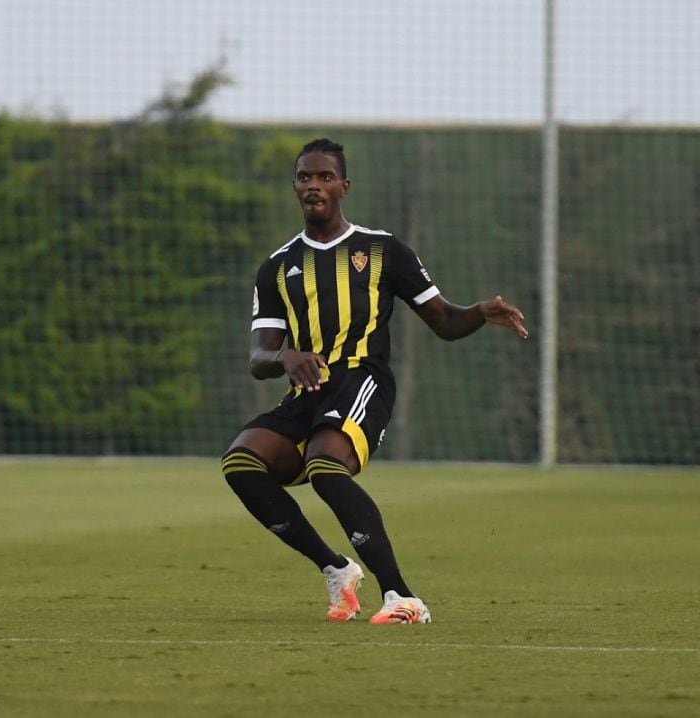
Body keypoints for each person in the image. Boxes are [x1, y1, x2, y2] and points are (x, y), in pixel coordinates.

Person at [221, 138, 528, 624]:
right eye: (304, 177)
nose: (313, 186)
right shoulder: (277, 267)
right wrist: (285, 357)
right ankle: (336, 568)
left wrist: (479, 312)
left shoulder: (383, 251)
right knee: (240, 463)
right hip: (306, 391)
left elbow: (445, 322)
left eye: (324, 177)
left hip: (362, 380)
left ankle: (402, 597)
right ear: (295, 186)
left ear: (345, 187)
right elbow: (259, 356)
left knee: (325, 466)